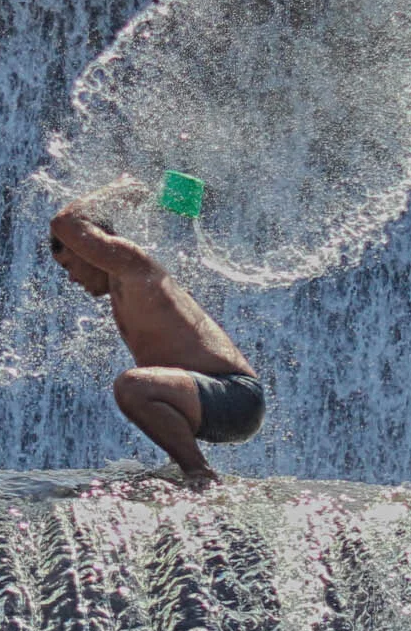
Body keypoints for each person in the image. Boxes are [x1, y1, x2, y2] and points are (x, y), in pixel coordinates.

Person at [48, 177, 263, 487]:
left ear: (90, 252)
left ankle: (200, 476)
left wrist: (125, 188)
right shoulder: (125, 290)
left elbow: (65, 222)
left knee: (133, 386)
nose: (70, 279)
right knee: (143, 385)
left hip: (236, 394)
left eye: (68, 265)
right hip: (208, 400)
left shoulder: (132, 266)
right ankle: (186, 472)